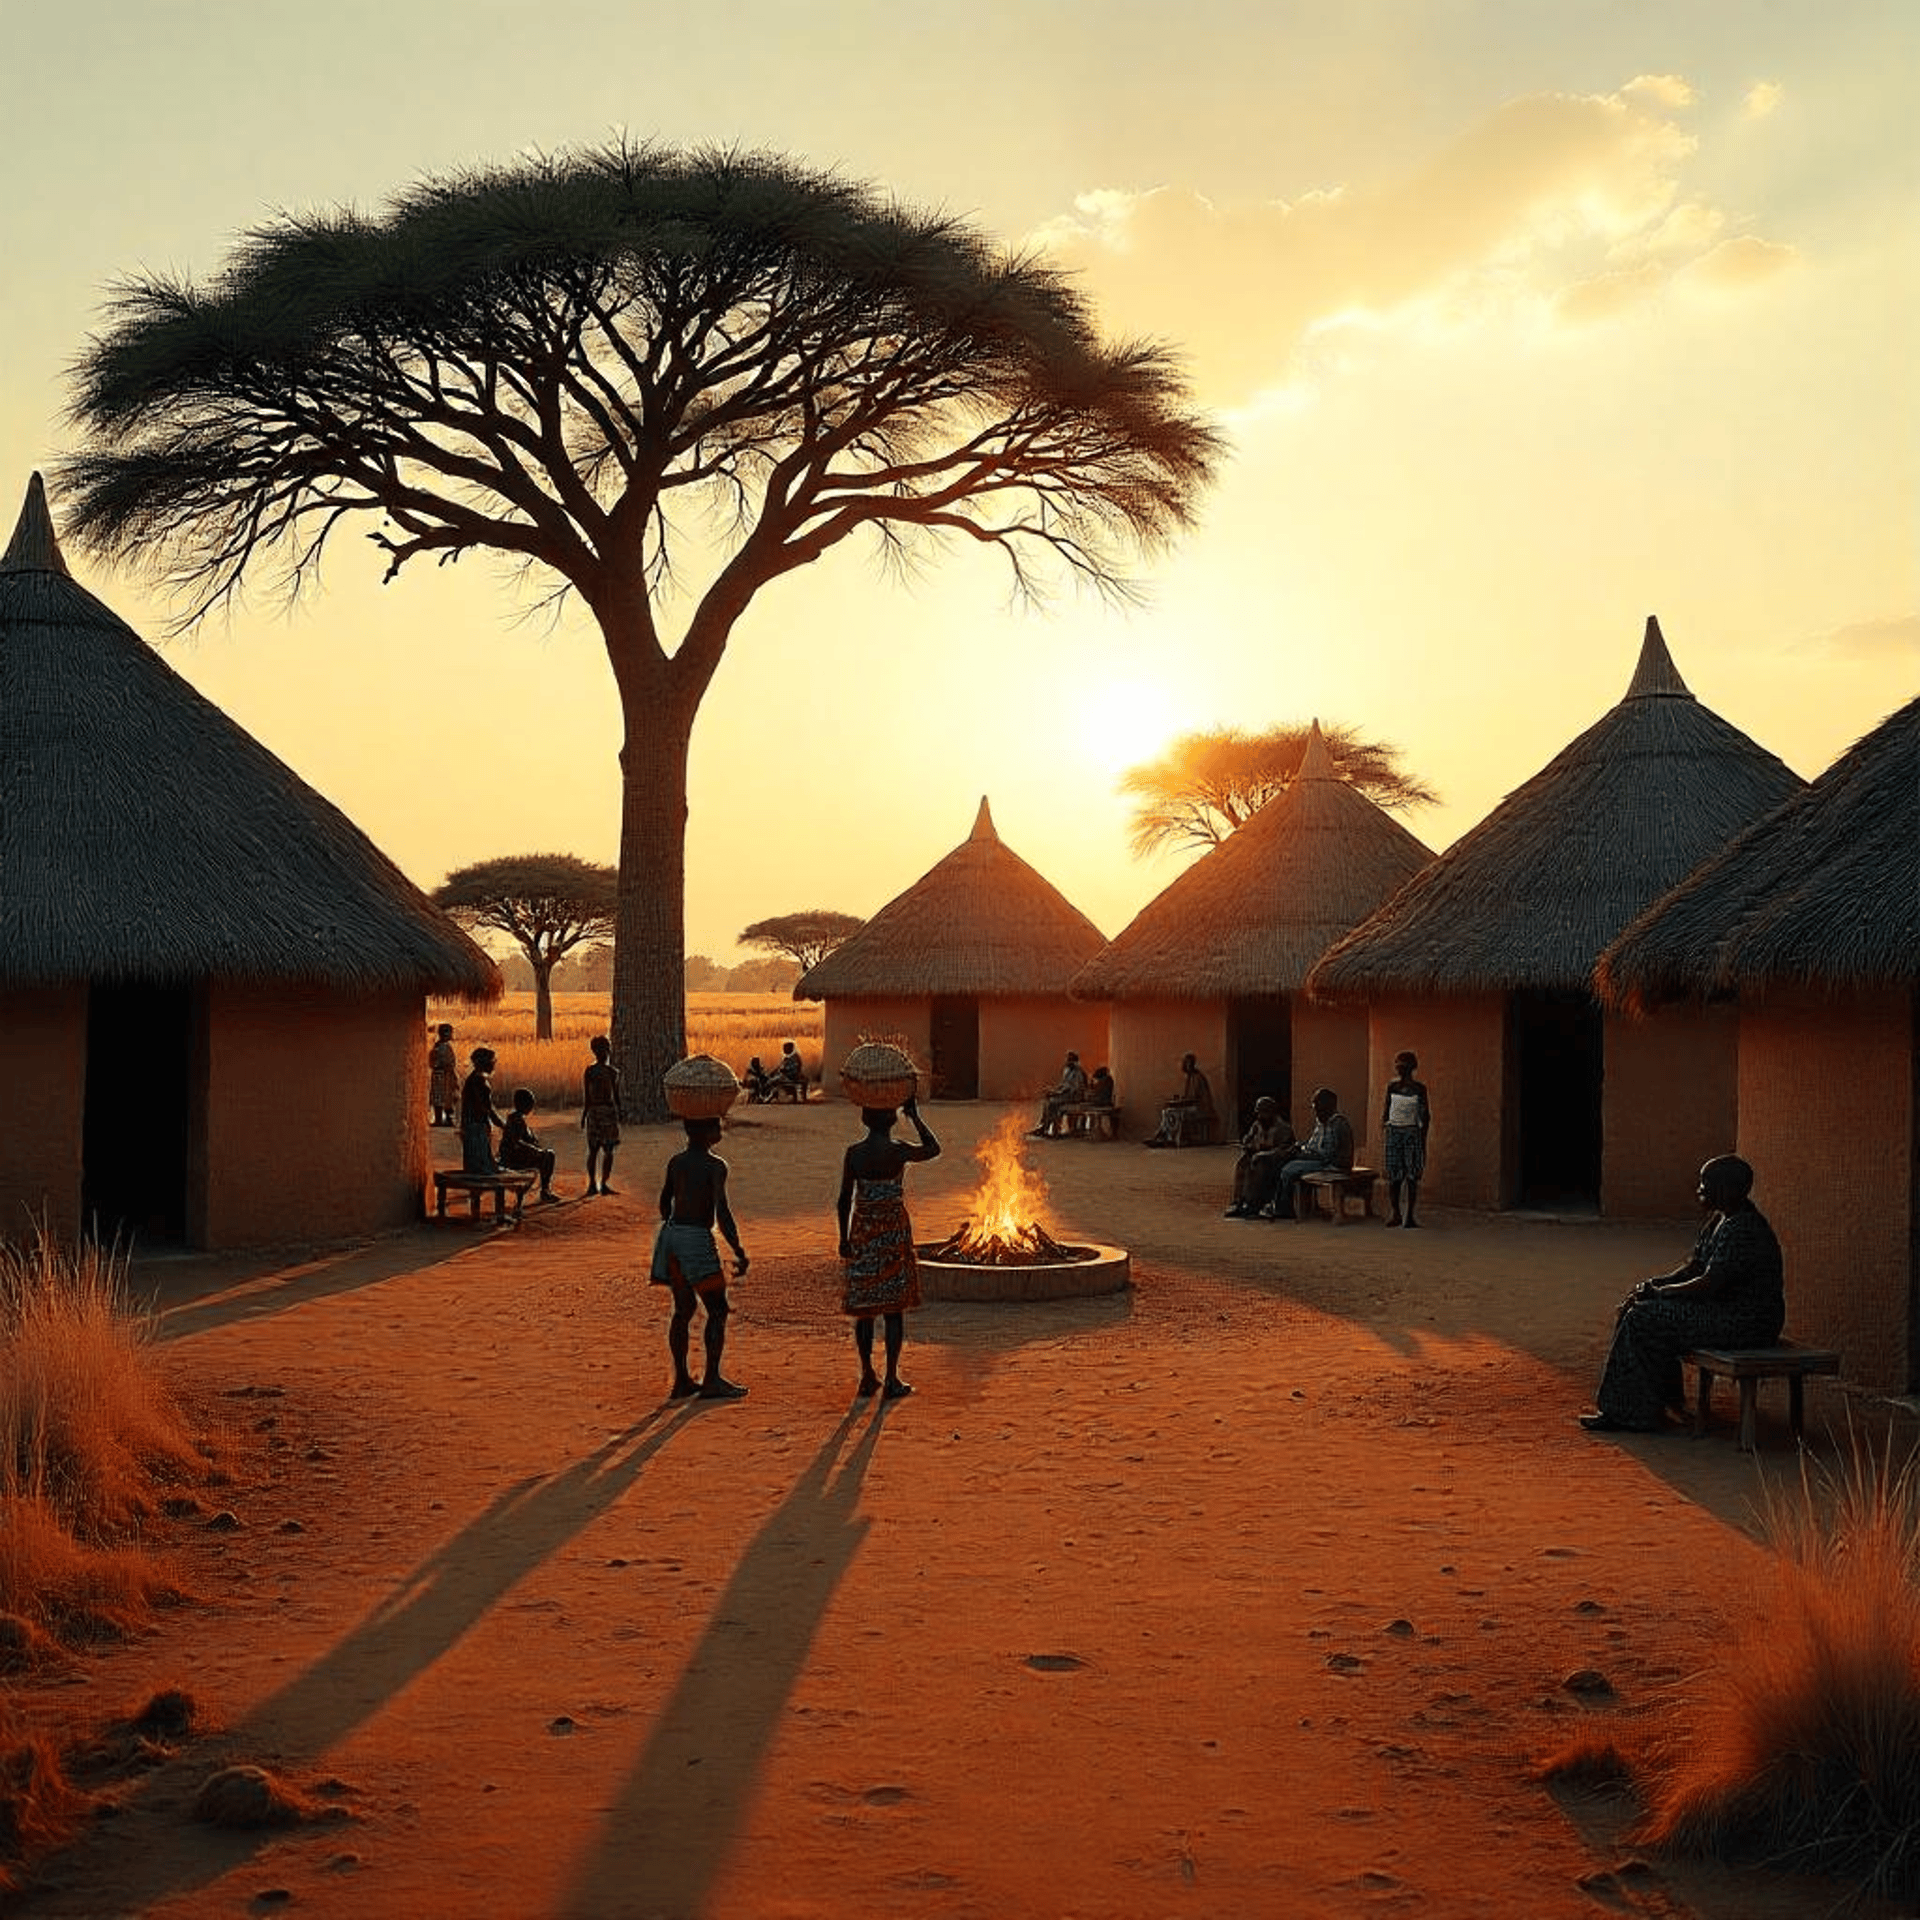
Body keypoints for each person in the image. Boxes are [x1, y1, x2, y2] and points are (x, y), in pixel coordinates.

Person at [1580, 1155, 1784, 1434]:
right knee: (1637, 1308)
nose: (1699, 1188)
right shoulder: (1719, 1220)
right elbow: (1694, 1267)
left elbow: (1709, 1283)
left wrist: (1661, 1294)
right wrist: (1652, 1285)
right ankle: (1644, 1406)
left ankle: (1634, 1413)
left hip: (1745, 1322)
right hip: (1721, 1312)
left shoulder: (1745, 1229)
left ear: (1728, 1189)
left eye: (1706, 1183)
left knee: (1644, 1317)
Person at [836, 1091, 941, 1400]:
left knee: (865, 1308)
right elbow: (933, 1149)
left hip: (863, 1231)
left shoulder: (854, 1153)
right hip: (893, 1231)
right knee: (894, 1310)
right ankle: (892, 1377)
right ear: (893, 1120)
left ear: (864, 1120)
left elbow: (844, 1199)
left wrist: (843, 1238)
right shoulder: (899, 1151)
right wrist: (916, 1116)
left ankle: (867, 1374)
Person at [652, 1116, 750, 1401]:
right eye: (717, 1126)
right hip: (696, 1239)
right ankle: (712, 1379)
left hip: (671, 1237)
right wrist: (738, 1249)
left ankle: (681, 1380)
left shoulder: (676, 1162)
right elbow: (723, 1211)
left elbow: (663, 1202)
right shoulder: (715, 1166)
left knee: (682, 1310)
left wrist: (675, 1227)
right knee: (717, 1309)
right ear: (706, 1132)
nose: (721, 1130)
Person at [1255, 1087, 1355, 1219]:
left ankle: (1282, 1208)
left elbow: (1328, 1155)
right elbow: (1314, 1144)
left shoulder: (1337, 1124)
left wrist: (1303, 1154)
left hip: (1335, 1165)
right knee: (1287, 1162)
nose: (1315, 1110)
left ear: (1329, 1106)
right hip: (1323, 1160)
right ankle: (1282, 1204)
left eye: (1318, 1106)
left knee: (1288, 1169)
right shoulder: (1322, 1122)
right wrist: (1301, 1147)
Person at [1380, 1051, 1432, 1228]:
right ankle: (1396, 1213)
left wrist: (1422, 1138)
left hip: (1412, 1134)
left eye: (1404, 1066)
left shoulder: (1419, 1089)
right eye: (1399, 1065)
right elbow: (1386, 1110)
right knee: (1394, 1177)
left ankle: (1408, 1215)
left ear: (1413, 1068)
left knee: (1411, 1177)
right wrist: (1386, 1129)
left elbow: (1425, 1115)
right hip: (1395, 1132)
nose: (1401, 1069)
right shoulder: (1392, 1087)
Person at [1223, 1096, 1295, 1217]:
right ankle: (1238, 1201)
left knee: (1259, 1165)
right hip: (1258, 1157)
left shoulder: (1283, 1128)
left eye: (1263, 1113)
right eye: (1258, 1112)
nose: (1259, 1116)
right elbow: (1249, 1139)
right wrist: (1248, 1145)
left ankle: (1253, 1204)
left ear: (1272, 1112)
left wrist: (1265, 1154)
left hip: (1276, 1161)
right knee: (1242, 1163)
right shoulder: (1257, 1125)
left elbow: (1286, 1151)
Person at [1143, 1054, 1216, 1147]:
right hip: (1194, 1106)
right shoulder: (1190, 1077)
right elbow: (1189, 1097)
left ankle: (1173, 1139)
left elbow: (1193, 1099)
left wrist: (1179, 1103)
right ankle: (1162, 1136)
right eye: (1185, 1063)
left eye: (1188, 1063)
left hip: (1201, 1108)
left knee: (1175, 1113)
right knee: (1167, 1112)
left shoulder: (1197, 1077)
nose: (1186, 1065)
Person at [500, 1088, 559, 1201]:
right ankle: (545, 1190)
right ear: (523, 1104)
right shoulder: (515, 1120)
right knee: (548, 1155)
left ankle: (545, 1190)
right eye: (530, 1104)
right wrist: (535, 1150)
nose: (532, 1107)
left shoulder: (517, 1118)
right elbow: (516, 1143)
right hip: (513, 1158)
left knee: (547, 1155)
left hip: (517, 1156)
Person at [580, 1036, 622, 1195]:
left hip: (593, 1112)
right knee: (608, 1151)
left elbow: (587, 1097)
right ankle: (603, 1183)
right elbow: (615, 1096)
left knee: (593, 1150)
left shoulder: (589, 1071)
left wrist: (585, 1115)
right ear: (607, 1051)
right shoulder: (612, 1072)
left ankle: (592, 1184)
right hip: (607, 1112)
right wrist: (619, 1112)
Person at [459, 1047, 507, 1174]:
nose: (494, 1065)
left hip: (473, 1125)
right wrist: (503, 1125)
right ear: (485, 1063)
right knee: (482, 1168)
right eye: (492, 1062)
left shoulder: (474, 1078)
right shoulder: (479, 1080)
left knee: (479, 1164)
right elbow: (487, 1108)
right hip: (476, 1126)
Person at [1030, 1050, 1089, 1138]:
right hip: (1067, 1094)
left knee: (1053, 1103)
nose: (1067, 1062)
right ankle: (1043, 1126)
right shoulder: (1068, 1071)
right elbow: (1063, 1085)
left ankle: (1050, 1129)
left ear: (1074, 1061)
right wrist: (1052, 1090)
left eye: (1070, 1060)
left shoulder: (1078, 1073)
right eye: (1068, 1059)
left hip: (1074, 1097)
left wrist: (1057, 1093)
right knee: (1047, 1102)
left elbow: (1073, 1089)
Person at [428, 1023, 459, 1128]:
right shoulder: (439, 1046)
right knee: (440, 1097)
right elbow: (435, 1062)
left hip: (446, 1075)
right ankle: (439, 1119)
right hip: (441, 1075)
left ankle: (446, 1119)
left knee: (447, 1097)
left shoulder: (441, 1046)